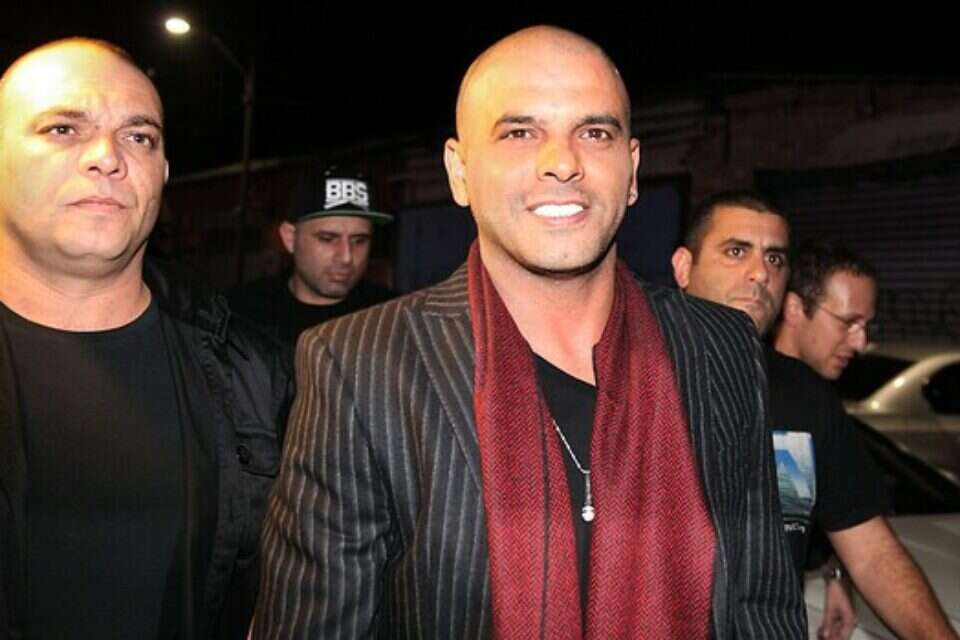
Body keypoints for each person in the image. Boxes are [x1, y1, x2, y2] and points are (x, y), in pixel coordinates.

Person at [253, 26, 804, 639]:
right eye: (520, 132)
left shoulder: (723, 346)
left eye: (594, 133)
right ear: (459, 171)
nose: (562, 162)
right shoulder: (359, 365)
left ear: (632, 170)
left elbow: (763, 607)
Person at [0, 38, 291, 639]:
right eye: (62, 129)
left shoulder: (257, 377)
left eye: (139, 137)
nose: (107, 157)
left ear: (163, 174)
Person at [672, 191, 958, 640]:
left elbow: (873, 552)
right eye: (736, 251)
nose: (760, 273)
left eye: (774, 259)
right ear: (683, 267)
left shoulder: (806, 396)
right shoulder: (630, 378)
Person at [228, 168, 394, 351]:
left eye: (359, 240)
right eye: (327, 238)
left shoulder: (392, 318)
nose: (346, 257)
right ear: (290, 238)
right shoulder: (239, 317)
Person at [773, 241, 877, 380]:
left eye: (866, 327)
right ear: (794, 309)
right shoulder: (749, 387)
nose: (860, 344)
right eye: (848, 323)